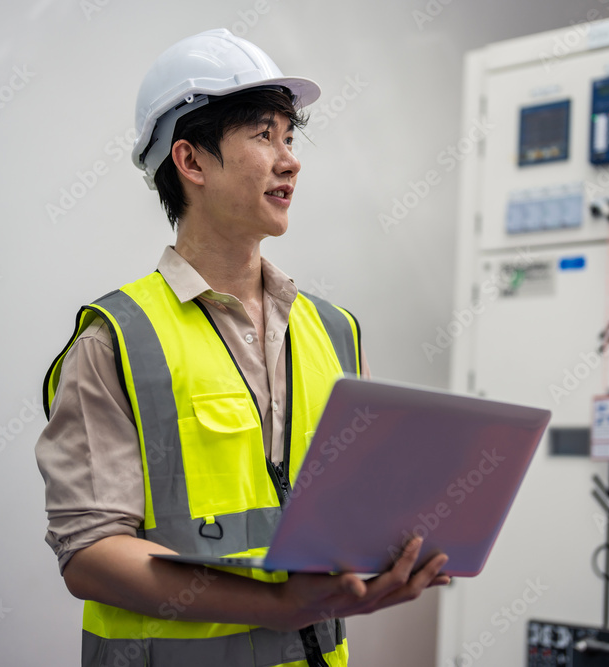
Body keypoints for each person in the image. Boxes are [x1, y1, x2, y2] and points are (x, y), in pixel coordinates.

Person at [34, 29, 449, 667]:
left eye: (289, 136)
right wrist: (282, 607)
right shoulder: (116, 340)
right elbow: (90, 555)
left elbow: (346, 513)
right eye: (262, 135)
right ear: (191, 162)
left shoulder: (335, 330)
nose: (290, 159)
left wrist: (391, 551)